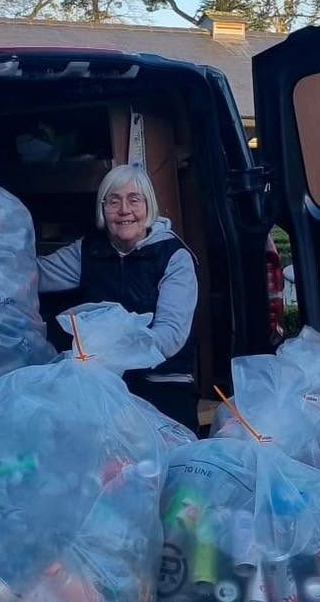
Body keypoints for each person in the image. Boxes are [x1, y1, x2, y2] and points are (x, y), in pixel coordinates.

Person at [38, 163, 200, 431]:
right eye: (113, 201)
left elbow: (169, 335)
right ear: (103, 210)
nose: (124, 210)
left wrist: (114, 351)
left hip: (163, 380)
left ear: (149, 206)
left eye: (134, 200)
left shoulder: (174, 256)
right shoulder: (90, 250)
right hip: (101, 382)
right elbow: (34, 275)